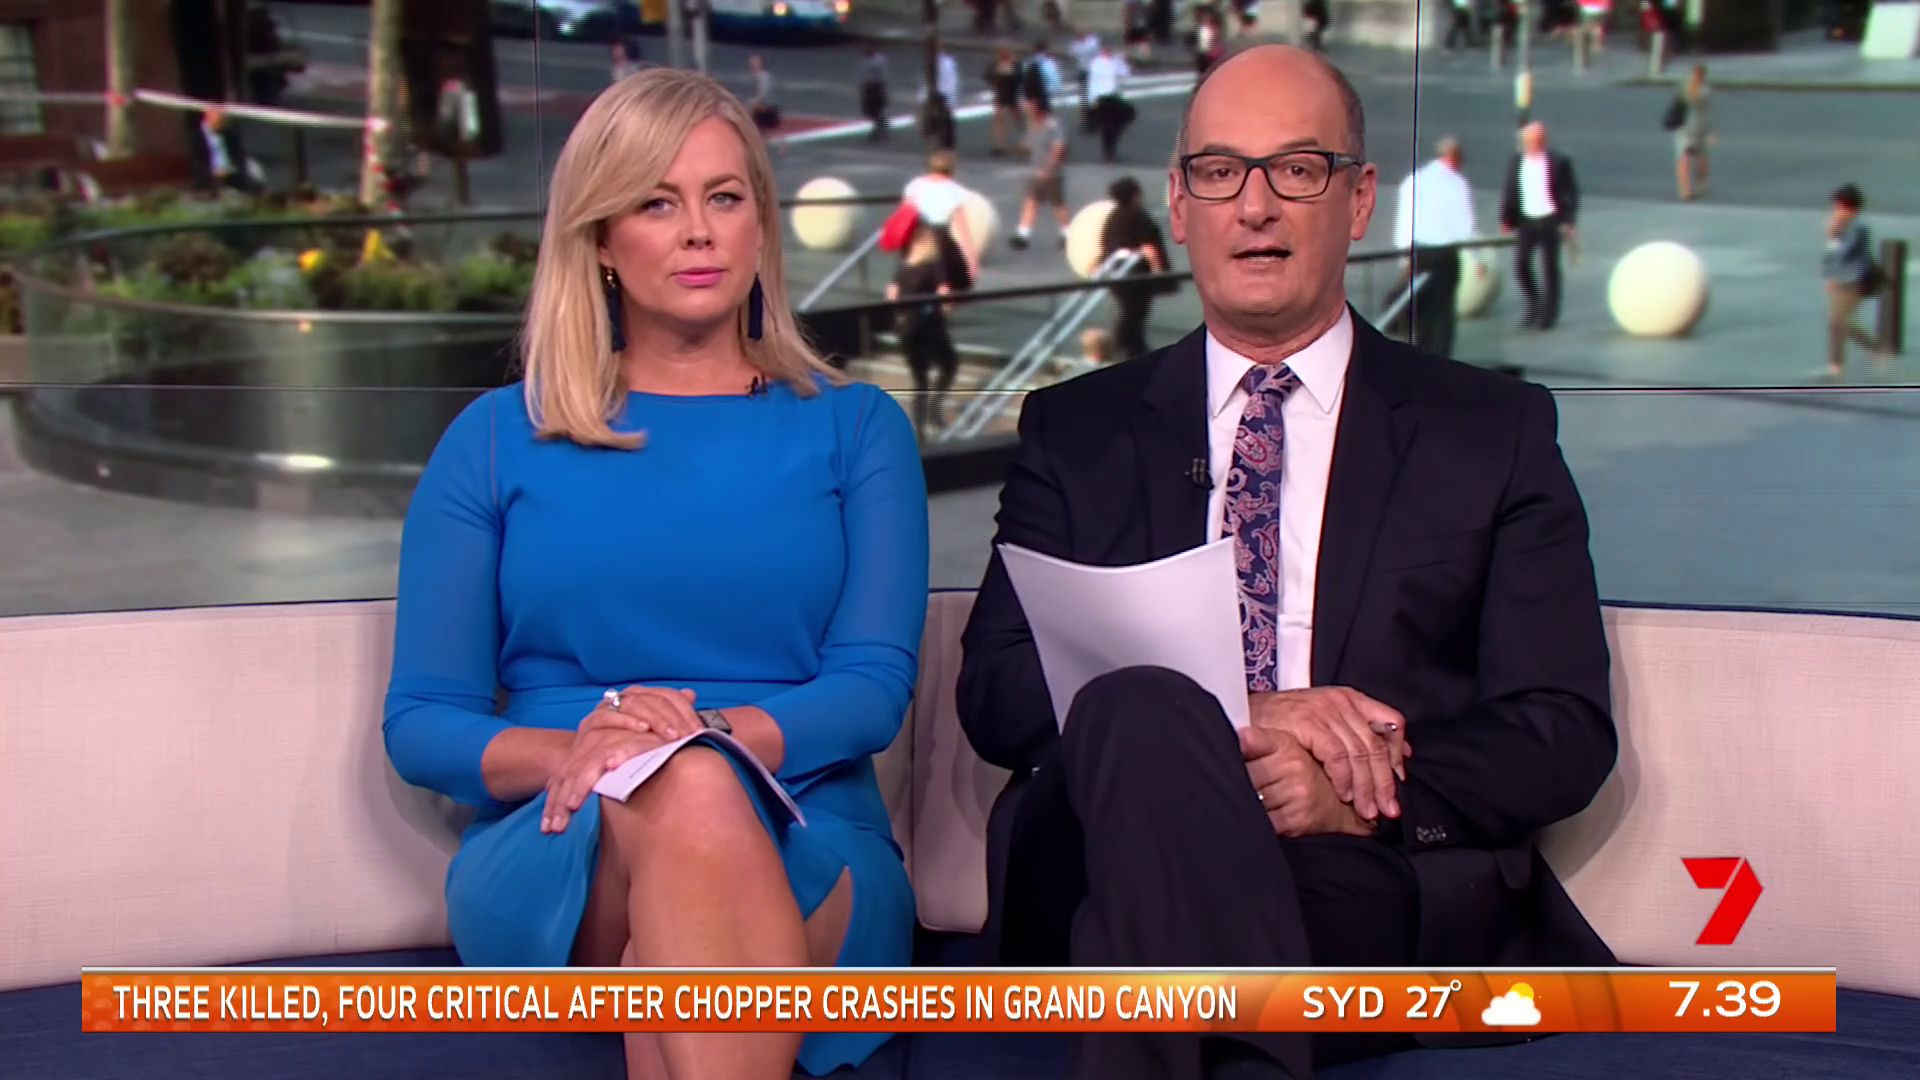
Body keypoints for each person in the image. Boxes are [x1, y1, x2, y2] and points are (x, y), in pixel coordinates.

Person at [957, 44, 1616, 1080]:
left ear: (1359, 200)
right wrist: (1239, 718)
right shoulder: (1076, 431)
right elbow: (996, 691)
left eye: (1297, 170)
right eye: (1221, 171)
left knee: (1158, 933)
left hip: (1354, 869)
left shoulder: (1489, 431)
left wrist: (1352, 796)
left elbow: (1560, 729)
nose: (1255, 205)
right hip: (1094, 845)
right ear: (1180, 204)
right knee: (1139, 704)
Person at [383, 69, 929, 1080]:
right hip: (564, 836)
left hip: (810, 825)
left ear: (760, 224)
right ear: (599, 238)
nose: (699, 232)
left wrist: (704, 739)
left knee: (693, 826)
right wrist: (586, 754)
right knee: (689, 795)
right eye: (656, 203)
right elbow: (422, 720)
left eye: (724, 197)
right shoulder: (494, 440)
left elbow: (871, 689)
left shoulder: (858, 431)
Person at [1392, 135, 1478, 357]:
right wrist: (1476, 258)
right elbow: (1464, 226)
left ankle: (1421, 352)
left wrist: (1404, 257)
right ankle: (1441, 356)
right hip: (1445, 255)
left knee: (1422, 307)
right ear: (1456, 157)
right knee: (1443, 310)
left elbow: (1404, 221)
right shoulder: (1457, 184)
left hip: (1420, 252)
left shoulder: (1415, 180)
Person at [1499, 120, 1579, 330]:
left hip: (1550, 219)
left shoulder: (1559, 161)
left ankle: (1549, 315)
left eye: (1538, 140)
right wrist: (1506, 219)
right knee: (1521, 265)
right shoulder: (1516, 161)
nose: (1534, 144)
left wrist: (1569, 220)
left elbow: (1571, 192)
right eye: (1530, 141)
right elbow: (1510, 190)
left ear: (1544, 140)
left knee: (1550, 268)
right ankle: (1534, 303)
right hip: (1526, 221)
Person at [887, 224, 961, 433]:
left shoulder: (904, 267)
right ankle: (934, 411)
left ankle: (919, 427)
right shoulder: (934, 265)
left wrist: (902, 314)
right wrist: (945, 308)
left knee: (920, 379)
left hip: (907, 329)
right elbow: (944, 293)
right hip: (930, 327)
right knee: (949, 364)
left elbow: (892, 294)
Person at [1099, 175, 1171, 360]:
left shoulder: (1113, 217)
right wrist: (1158, 271)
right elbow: (1148, 247)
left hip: (1117, 273)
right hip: (1137, 274)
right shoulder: (1139, 216)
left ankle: (1131, 348)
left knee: (1128, 312)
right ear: (1134, 195)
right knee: (1135, 313)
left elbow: (1106, 244)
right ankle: (1130, 348)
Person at [1823, 182, 1886, 377]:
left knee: (1839, 320)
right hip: (1841, 279)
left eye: (1838, 206)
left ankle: (1873, 349)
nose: (1835, 210)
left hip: (1854, 280)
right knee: (1837, 321)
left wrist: (1833, 232)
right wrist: (1830, 276)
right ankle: (1838, 364)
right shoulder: (1845, 226)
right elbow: (1831, 256)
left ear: (1845, 205)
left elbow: (1844, 252)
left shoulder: (1858, 227)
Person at [901, 149, 980, 291]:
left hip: (916, 235)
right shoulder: (954, 190)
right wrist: (971, 260)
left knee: (904, 280)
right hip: (940, 238)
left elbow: (904, 212)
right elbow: (963, 230)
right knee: (948, 281)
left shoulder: (915, 185)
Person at [1011, 98, 1070, 250]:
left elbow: (1058, 147)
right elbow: (1027, 144)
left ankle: (1067, 234)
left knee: (1057, 204)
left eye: (1029, 107)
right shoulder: (1032, 125)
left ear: (1039, 108)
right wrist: (1021, 149)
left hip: (1051, 173)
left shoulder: (1053, 125)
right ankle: (1022, 235)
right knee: (1031, 201)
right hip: (1036, 171)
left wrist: (1049, 168)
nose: (1026, 111)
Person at [1672, 63, 1713, 201]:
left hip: (1700, 130)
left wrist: (1710, 132)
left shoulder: (1706, 91)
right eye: (1694, 74)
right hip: (1684, 130)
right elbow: (1677, 106)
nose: (1696, 77)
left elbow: (1707, 112)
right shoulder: (1683, 88)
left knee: (1701, 160)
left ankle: (1701, 183)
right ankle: (1685, 190)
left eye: (1699, 75)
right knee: (1684, 159)